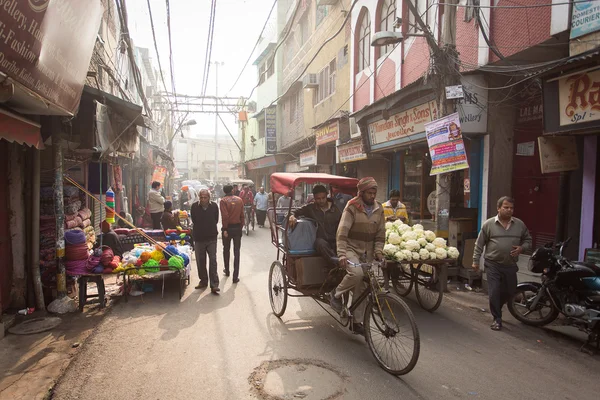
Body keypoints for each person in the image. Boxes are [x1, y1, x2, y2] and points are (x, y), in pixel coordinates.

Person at [330, 177, 386, 335]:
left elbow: (381, 234)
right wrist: (341, 254)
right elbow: (342, 233)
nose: (372, 196)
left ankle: (356, 322)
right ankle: (335, 294)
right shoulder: (352, 206)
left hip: (367, 253)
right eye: (369, 192)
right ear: (361, 193)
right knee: (357, 273)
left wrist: (379, 252)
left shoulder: (379, 208)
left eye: (374, 192)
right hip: (350, 248)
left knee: (362, 287)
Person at [473, 196, 532, 331]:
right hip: (493, 263)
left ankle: (496, 307)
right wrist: (475, 261)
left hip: (510, 264)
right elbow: (479, 244)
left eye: (511, 208)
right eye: (506, 207)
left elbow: (528, 240)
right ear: (498, 208)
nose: (509, 210)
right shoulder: (489, 224)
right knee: (494, 291)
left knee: (510, 291)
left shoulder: (519, 225)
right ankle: (497, 319)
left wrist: (522, 248)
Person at [288, 185, 342, 268]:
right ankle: (337, 266)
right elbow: (295, 211)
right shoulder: (310, 208)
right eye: (318, 199)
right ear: (314, 198)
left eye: (323, 198)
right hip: (320, 241)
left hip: (335, 239)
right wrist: (292, 216)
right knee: (320, 243)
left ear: (326, 196)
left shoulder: (335, 209)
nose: (321, 201)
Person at [192, 189, 220, 294]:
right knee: (201, 261)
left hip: (212, 237)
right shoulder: (194, 206)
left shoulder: (214, 206)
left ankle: (214, 285)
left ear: (209, 197)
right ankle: (203, 281)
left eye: (205, 197)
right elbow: (194, 220)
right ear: (199, 197)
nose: (203, 199)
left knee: (213, 261)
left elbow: (216, 220)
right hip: (199, 238)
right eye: (201, 197)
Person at [220, 185, 244, 283]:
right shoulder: (239, 200)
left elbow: (225, 215)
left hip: (228, 228)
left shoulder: (223, 201)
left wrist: (225, 229)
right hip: (237, 227)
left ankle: (227, 270)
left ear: (224, 191)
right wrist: (240, 227)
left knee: (226, 249)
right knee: (237, 252)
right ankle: (235, 276)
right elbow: (242, 215)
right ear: (232, 190)